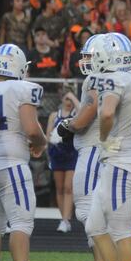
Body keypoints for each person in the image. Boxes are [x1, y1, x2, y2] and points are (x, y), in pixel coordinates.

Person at [84, 32, 131, 261]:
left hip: (121, 162)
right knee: (94, 225)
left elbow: (106, 114)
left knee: (121, 231)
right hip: (124, 158)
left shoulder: (114, 80)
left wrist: (104, 138)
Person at [0, 44, 46, 261]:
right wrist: (42, 141)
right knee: (21, 222)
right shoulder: (22, 88)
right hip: (11, 162)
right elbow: (31, 128)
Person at [53, 34, 107, 261]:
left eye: (90, 56)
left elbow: (87, 115)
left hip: (94, 148)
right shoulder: (123, 80)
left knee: (87, 210)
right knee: (98, 210)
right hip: (105, 149)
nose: (85, 61)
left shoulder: (97, 81)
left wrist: (67, 126)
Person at [46, 88, 78, 233]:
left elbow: (83, 108)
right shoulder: (54, 115)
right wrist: (55, 139)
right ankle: (63, 219)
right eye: (67, 99)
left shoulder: (76, 114)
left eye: (71, 99)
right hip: (57, 153)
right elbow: (48, 135)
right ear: (62, 100)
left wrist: (73, 96)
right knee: (59, 188)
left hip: (71, 153)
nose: (69, 102)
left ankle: (66, 219)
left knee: (68, 187)